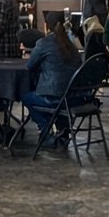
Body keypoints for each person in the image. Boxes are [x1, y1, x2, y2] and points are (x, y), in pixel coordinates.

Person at [21, 14, 82, 145]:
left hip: (55, 98)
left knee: (26, 97)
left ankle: (45, 130)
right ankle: (62, 130)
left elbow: (30, 65)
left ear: (46, 26)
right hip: (75, 98)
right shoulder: (71, 45)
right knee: (57, 102)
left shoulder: (44, 43)